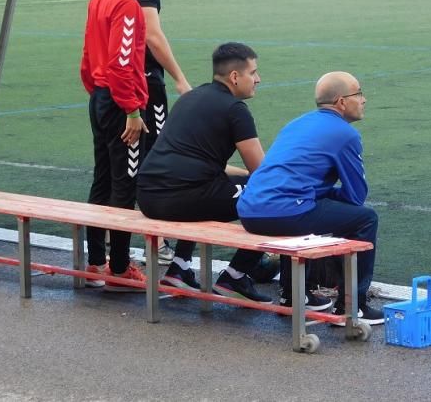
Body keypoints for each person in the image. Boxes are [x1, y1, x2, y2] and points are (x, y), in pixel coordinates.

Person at [136, 42, 284, 304]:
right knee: (273, 198)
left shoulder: (190, 98)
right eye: (253, 73)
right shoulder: (235, 110)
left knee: (229, 184)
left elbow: (203, 163)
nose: (258, 79)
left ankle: (179, 268)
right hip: (181, 198)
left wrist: (244, 179)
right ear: (235, 76)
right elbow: (262, 173)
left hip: (148, 196)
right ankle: (235, 276)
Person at [238, 71, 383, 325]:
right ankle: (353, 306)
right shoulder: (345, 134)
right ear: (341, 101)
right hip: (284, 212)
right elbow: (356, 196)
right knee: (366, 218)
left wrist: (320, 194)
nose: (364, 100)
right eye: (359, 93)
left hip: (249, 211)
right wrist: (330, 193)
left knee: (303, 209)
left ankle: (293, 297)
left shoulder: (296, 123)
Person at [98, 0, 191, 265]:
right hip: (140, 87)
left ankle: (103, 252)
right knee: (150, 162)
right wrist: (178, 78)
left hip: (105, 91)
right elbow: (148, 38)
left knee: (108, 172)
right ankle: (145, 248)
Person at [80, 0, 152, 290]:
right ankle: (120, 268)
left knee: (103, 179)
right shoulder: (125, 3)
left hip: (100, 97)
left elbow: (88, 54)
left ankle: (96, 261)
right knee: (125, 184)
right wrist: (131, 110)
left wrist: (98, 92)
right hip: (120, 103)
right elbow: (122, 62)